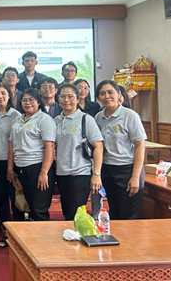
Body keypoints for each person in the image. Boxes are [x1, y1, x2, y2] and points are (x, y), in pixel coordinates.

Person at [95, 80, 146, 220]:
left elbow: (140, 146)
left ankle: (132, 242)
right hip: (108, 170)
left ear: (118, 94)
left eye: (110, 92)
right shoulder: (99, 117)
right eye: (102, 93)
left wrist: (135, 177)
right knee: (115, 211)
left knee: (129, 214)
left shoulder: (130, 115)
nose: (107, 96)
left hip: (128, 169)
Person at [55, 84, 104, 221]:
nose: (66, 100)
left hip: (80, 173)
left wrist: (96, 174)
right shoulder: (56, 121)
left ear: (77, 99)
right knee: (67, 211)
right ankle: (72, 238)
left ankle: (80, 238)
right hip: (61, 172)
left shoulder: (86, 119)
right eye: (63, 96)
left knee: (77, 213)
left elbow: (98, 146)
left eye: (70, 97)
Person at [9, 89, 56, 221]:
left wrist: (44, 172)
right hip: (20, 167)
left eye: (31, 100)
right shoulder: (17, 119)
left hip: (37, 167)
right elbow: (12, 145)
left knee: (38, 208)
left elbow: (50, 146)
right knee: (24, 205)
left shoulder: (44, 119)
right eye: (24, 100)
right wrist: (10, 169)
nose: (27, 103)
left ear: (38, 102)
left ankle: (42, 240)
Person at [0, 83, 22, 247]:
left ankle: (19, 233)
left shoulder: (17, 116)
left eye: (3, 93)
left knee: (15, 198)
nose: (0, 96)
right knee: (0, 199)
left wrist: (11, 168)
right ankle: (5, 232)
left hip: (14, 163)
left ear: (9, 96)